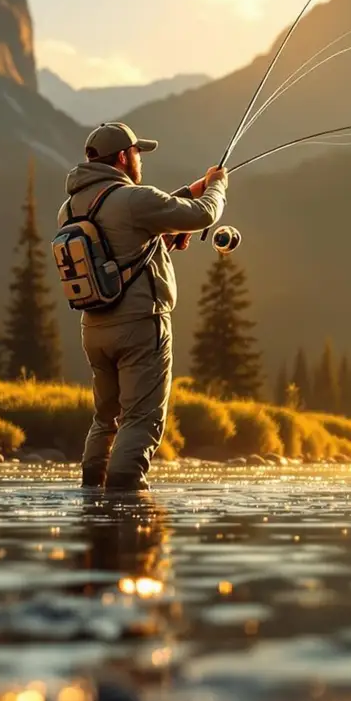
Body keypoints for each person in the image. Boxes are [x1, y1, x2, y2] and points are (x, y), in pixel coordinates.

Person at [60, 122, 228, 490]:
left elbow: (125, 235)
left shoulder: (71, 208)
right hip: (140, 324)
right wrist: (216, 186)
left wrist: (188, 193)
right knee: (141, 419)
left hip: (94, 328)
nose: (140, 160)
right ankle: (124, 500)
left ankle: (93, 501)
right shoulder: (134, 199)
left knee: (106, 419)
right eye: (137, 153)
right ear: (123, 157)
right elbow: (202, 216)